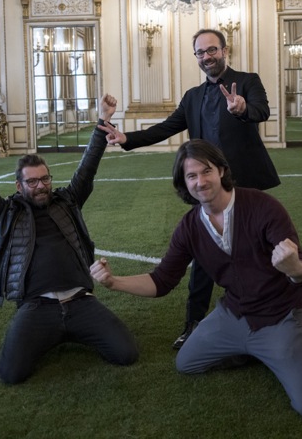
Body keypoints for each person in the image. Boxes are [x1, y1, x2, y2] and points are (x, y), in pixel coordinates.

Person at [90, 140, 302, 420]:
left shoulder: (263, 206)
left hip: (280, 315)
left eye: (206, 171)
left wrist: (293, 268)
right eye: (191, 176)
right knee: (186, 362)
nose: (200, 181)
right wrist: (114, 282)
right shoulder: (189, 227)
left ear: (221, 171)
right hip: (234, 314)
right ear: (184, 183)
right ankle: (261, 350)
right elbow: (162, 281)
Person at [0, 94, 138, 384]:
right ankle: (53, 334)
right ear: (19, 186)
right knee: (11, 374)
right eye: (32, 181)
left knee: (126, 353)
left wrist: (103, 118)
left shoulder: (68, 201)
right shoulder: (6, 212)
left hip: (80, 301)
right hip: (37, 307)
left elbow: (88, 165)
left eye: (45, 179)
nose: (40, 186)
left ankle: (68, 331)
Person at [99, 28, 279, 349]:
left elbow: (261, 111)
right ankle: (193, 324)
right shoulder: (193, 96)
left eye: (212, 50)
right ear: (196, 56)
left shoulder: (247, 81)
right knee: (204, 257)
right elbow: (166, 127)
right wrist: (127, 138)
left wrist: (242, 109)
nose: (207, 56)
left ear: (224, 51)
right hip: (207, 188)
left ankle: (268, 318)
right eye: (200, 52)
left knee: (256, 254)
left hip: (245, 185)